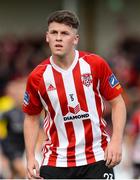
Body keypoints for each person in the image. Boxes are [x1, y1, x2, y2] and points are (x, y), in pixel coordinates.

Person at [23, 10, 126, 179]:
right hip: (56, 160)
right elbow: (31, 118)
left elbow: (118, 103)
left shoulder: (95, 64)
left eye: (64, 33)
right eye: (54, 33)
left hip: (97, 157)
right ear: (47, 37)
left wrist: (116, 141)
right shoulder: (37, 76)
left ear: (75, 39)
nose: (58, 38)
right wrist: (30, 157)